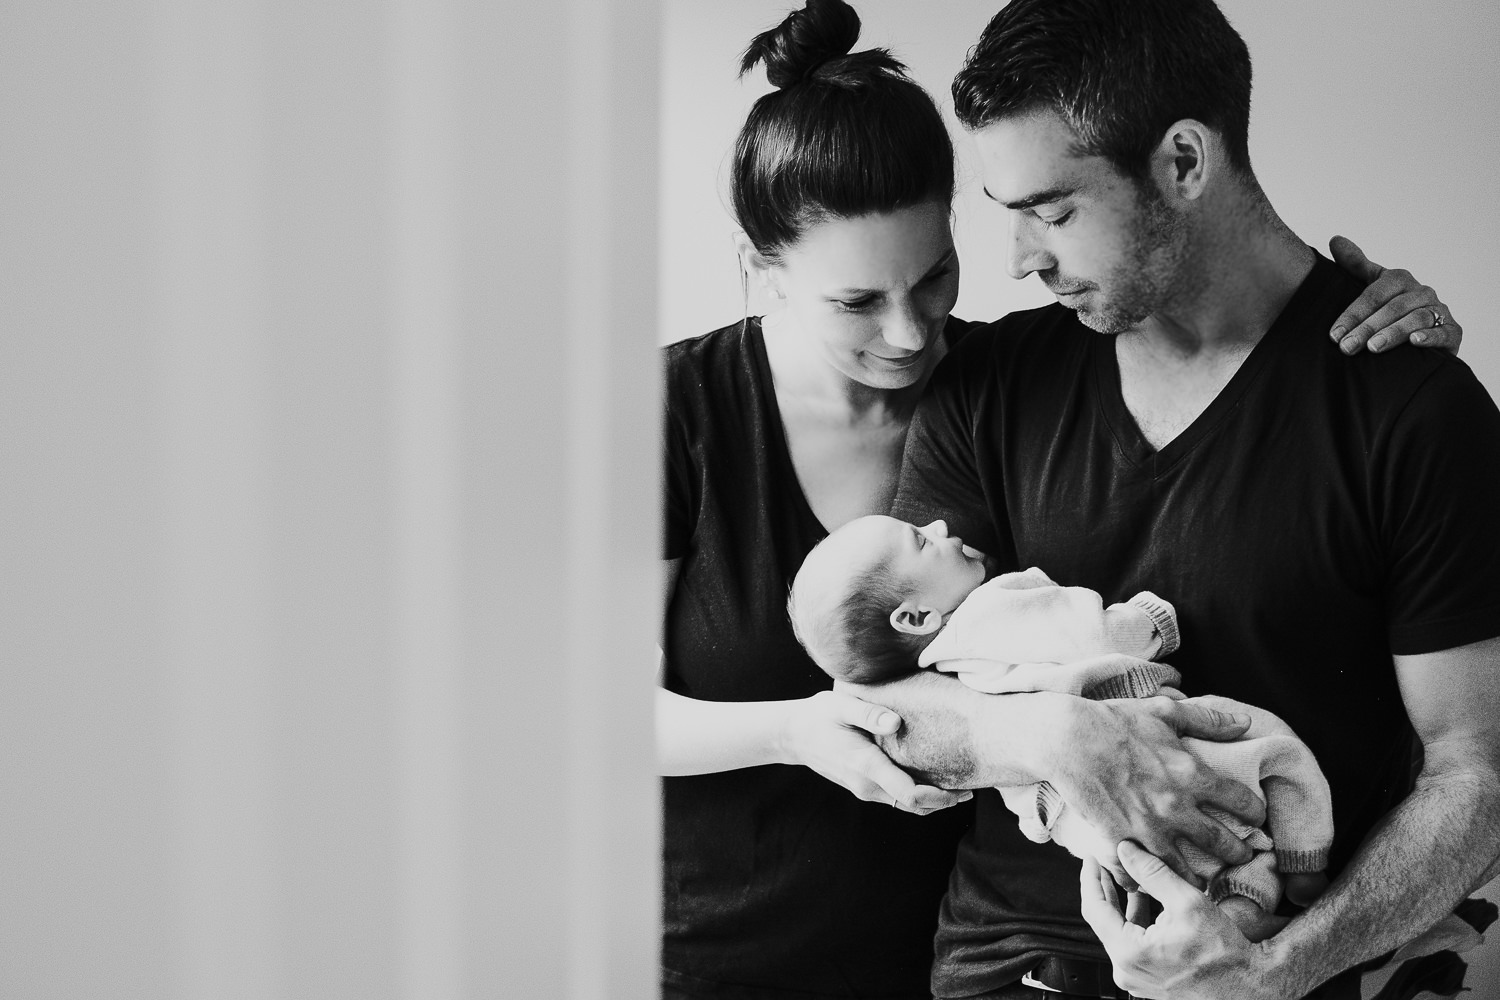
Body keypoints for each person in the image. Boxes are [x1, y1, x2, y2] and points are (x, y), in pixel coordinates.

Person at [656, 1, 1464, 996]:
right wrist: (1056, 735)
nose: (1017, 263)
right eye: (858, 302)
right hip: (909, 954)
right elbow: (879, 699)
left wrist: (1274, 969)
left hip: (1196, 948)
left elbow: (1477, 770)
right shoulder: (956, 387)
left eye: (1047, 210)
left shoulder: (1401, 398)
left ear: (1181, 162)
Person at [787, 514, 1334, 944]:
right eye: (922, 541)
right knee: (1271, 746)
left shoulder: (927, 675)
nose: (940, 528)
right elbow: (1092, 634)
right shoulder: (991, 611)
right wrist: (1152, 622)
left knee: (1172, 868)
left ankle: (1227, 920)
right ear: (915, 617)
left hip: (1071, 813)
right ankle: (1303, 856)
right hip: (1142, 730)